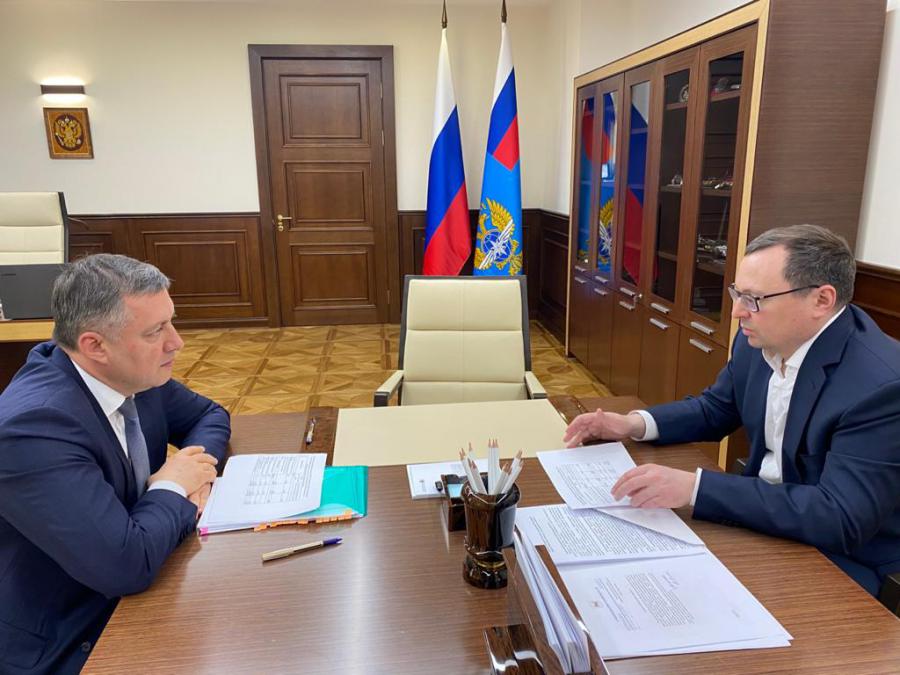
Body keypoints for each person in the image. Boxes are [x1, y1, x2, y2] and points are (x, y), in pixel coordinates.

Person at [564, 224, 900, 596]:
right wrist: (633, 424)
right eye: (737, 293)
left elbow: (840, 517)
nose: (738, 312)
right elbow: (715, 408)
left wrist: (696, 487)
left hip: (843, 558)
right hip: (762, 520)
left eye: (754, 299)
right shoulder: (760, 337)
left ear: (821, 300)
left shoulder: (881, 385)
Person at [0, 254, 231, 674]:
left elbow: (209, 415)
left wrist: (194, 471)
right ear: (95, 345)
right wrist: (172, 487)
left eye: (171, 322)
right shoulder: (33, 428)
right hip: (69, 634)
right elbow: (124, 567)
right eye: (155, 331)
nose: (176, 342)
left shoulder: (130, 373)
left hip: (141, 581)